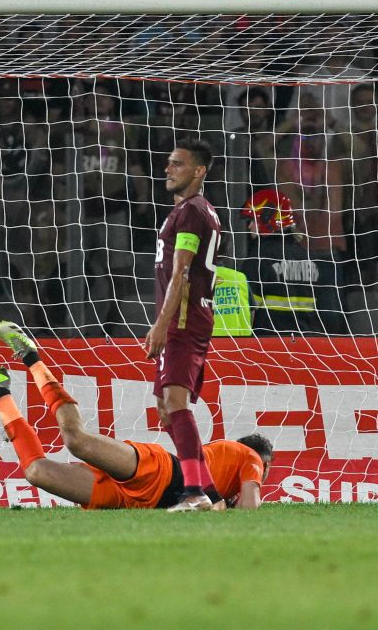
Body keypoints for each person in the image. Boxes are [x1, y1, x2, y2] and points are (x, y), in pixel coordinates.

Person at [0, 322, 273, 510]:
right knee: (76, 440)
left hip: (138, 504)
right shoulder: (248, 456)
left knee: (37, 472)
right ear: (262, 460)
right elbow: (250, 507)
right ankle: (30, 356)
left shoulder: (222, 468)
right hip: (159, 475)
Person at [144, 139, 224, 511]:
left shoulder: (191, 212)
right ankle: (212, 494)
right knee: (165, 407)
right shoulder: (200, 210)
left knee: (175, 403)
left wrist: (162, 325)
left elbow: (181, 271)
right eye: (168, 162)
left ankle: (194, 494)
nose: (168, 169)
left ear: (198, 171)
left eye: (177, 163)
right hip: (189, 316)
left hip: (181, 318)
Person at [239, 189, 325, 335]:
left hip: (270, 344)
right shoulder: (308, 257)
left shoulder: (259, 257)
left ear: (266, 219)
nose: (249, 226)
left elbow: (248, 310)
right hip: (308, 343)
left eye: (252, 220)